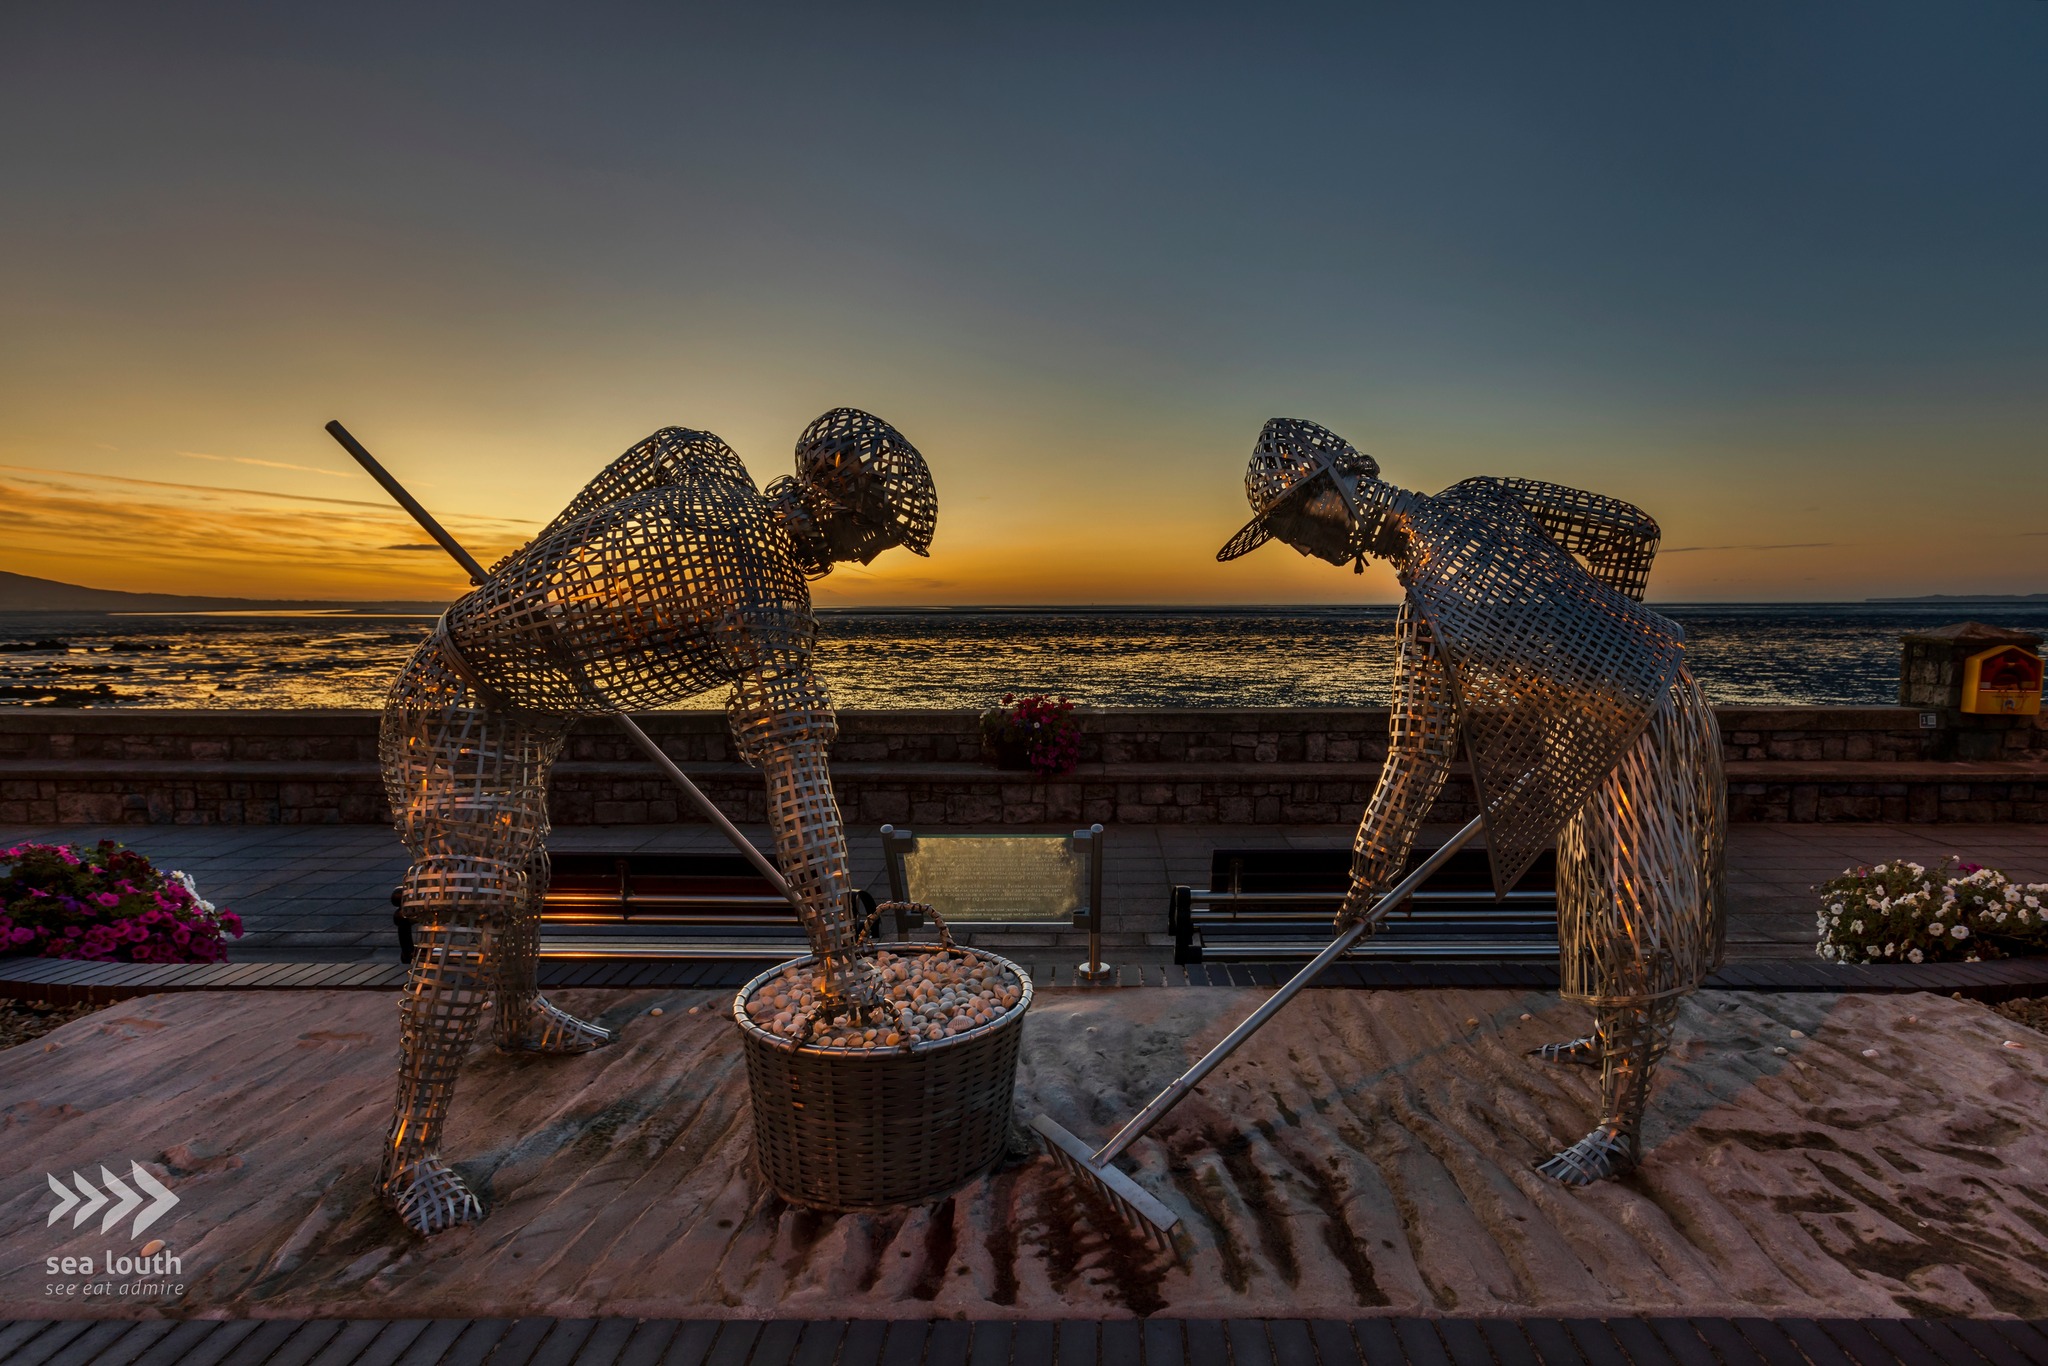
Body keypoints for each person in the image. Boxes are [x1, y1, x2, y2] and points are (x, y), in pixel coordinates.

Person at [379, 408, 936, 1233]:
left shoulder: (698, 457)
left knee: (525, 861)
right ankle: (408, 1155)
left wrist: (507, 592)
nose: (862, 557)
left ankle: (518, 1015)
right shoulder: (768, 601)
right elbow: (801, 787)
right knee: (470, 908)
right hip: (458, 698)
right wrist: (839, 956)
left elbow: (556, 540)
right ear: (842, 510)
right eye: (872, 537)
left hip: (525, 708)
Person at [1217, 417, 1724, 1183]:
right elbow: (1416, 750)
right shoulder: (1441, 584)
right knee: (1588, 901)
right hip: (1587, 726)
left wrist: (1600, 654)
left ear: (1333, 488)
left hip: (1644, 715)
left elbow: (1629, 533)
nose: (1298, 544)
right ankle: (1612, 1042)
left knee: (1630, 920)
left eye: (1291, 524)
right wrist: (1370, 872)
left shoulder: (1472, 528)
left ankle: (1620, 1129)